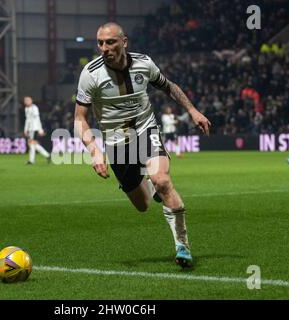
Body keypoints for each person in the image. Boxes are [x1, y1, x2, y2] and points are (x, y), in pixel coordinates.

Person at [74, 22, 211, 268]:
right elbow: (79, 119)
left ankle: (182, 245)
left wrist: (192, 111)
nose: (104, 48)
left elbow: (169, 87)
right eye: (100, 43)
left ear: (124, 42)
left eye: (110, 42)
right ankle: (148, 183)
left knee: (162, 180)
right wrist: (94, 152)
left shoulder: (144, 63)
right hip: (116, 143)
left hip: (146, 130)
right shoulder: (90, 74)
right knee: (143, 205)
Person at [23, 96, 51, 164]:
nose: (25, 102)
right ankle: (47, 155)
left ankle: (32, 160)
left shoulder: (34, 108)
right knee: (33, 144)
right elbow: (27, 120)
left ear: (31, 101)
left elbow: (37, 119)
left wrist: (40, 129)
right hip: (30, 129)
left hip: (34, 128)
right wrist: (26, 129)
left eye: (27, 100)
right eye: (25, 101)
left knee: (31, 143)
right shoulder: (26, 109)